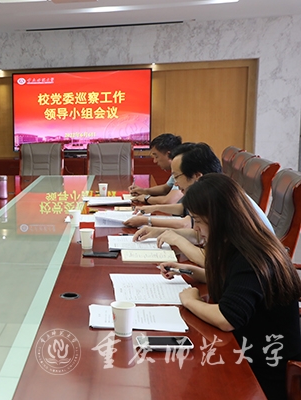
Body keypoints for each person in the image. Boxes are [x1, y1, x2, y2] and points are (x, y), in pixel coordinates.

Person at [158, 173, 301, 400]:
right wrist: (189, 271)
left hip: (262, 372)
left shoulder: (251, 257)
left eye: (199, 221)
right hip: (244, 352)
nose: (197, 229)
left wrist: (190, 301)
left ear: (219, 219)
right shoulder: (241, 241)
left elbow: (227, 318)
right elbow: (234, 282)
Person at [131, 143, 274, 266]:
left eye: (177, 177)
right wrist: (161, 232)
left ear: (197, 176)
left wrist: (177, 239)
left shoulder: (221, 200)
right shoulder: (216, 192)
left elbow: (212, 261)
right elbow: (201, 236)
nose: (175, 184)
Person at [129, 133, 183, 205]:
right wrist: (143, 191)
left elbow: (170, 200)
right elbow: (165, 188)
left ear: (169, 154)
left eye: (156, 156)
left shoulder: (183, 169)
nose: (155, 161)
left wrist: (146, 198)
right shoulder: (177, 168)